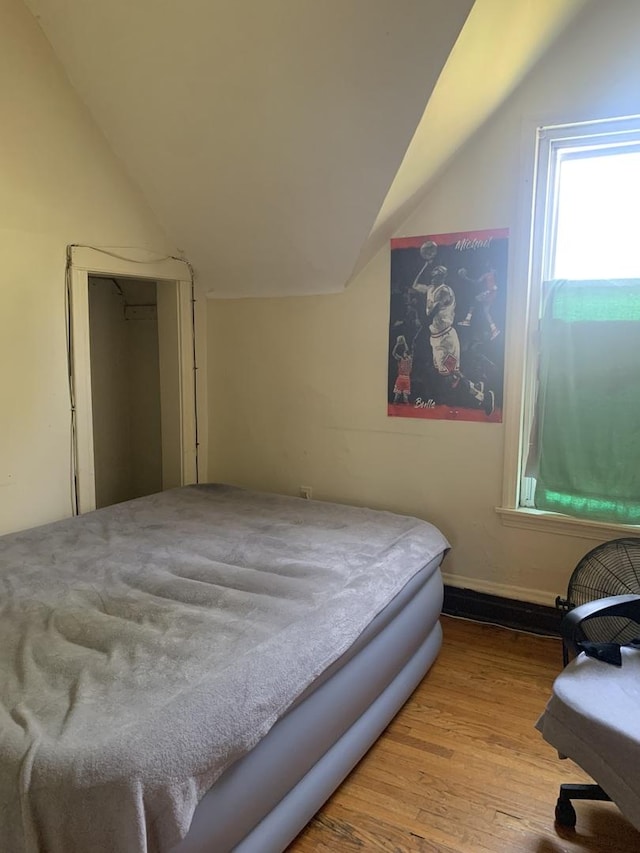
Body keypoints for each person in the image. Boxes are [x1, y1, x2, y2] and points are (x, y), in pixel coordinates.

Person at [412, 264, 494, 415]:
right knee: (448, 377)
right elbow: (415, 285)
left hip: (446, 338)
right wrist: (424, 264)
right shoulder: (430, 288)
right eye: (433, 275)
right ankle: (477, 387)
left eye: (437, 275)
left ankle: (481, 395)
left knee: (450, 377)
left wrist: (419, 331)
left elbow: (431, 314)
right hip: (436, 339)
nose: (434, 277)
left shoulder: (444, 292)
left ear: (442, 277)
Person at [457, 263, 501, 340]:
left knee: (474, 300)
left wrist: (487, 292)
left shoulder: (489, 275)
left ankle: (467, 319)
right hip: (492, 293)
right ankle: (494, 329)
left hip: (490, 293)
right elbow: (477, 282)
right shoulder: (488, 275)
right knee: (486, 312)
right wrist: (466, 278)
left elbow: (493, 287)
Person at [391, 335, 413, 404]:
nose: (404, 353)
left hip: (406, 378)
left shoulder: (410, 359)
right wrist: (397, 344)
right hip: (400, 378)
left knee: (405, 398)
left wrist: (405, 342)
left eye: (405, 352)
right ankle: (393, 411)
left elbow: (407, 350)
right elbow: (393, 353)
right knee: (396, 397)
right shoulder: (401, 359)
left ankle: (407, 412)